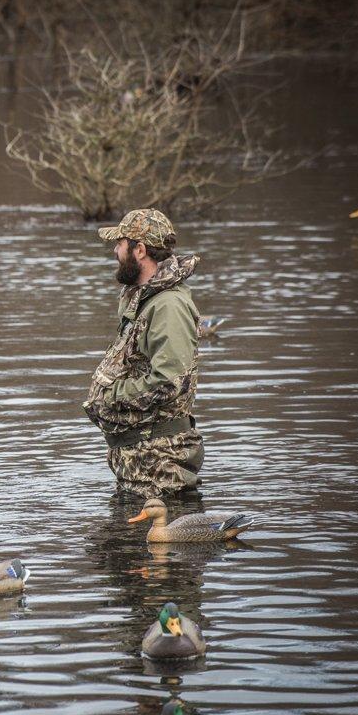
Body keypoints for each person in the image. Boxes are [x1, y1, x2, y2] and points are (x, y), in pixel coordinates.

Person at [83, 208, 203, 498]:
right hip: (141, 460)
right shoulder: (143, 299)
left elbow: (169, 382)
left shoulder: (168, 307)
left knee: (156, 542)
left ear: (139, 251)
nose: (114, 251)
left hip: (159, 465)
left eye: (119, 244)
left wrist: (110, 397)